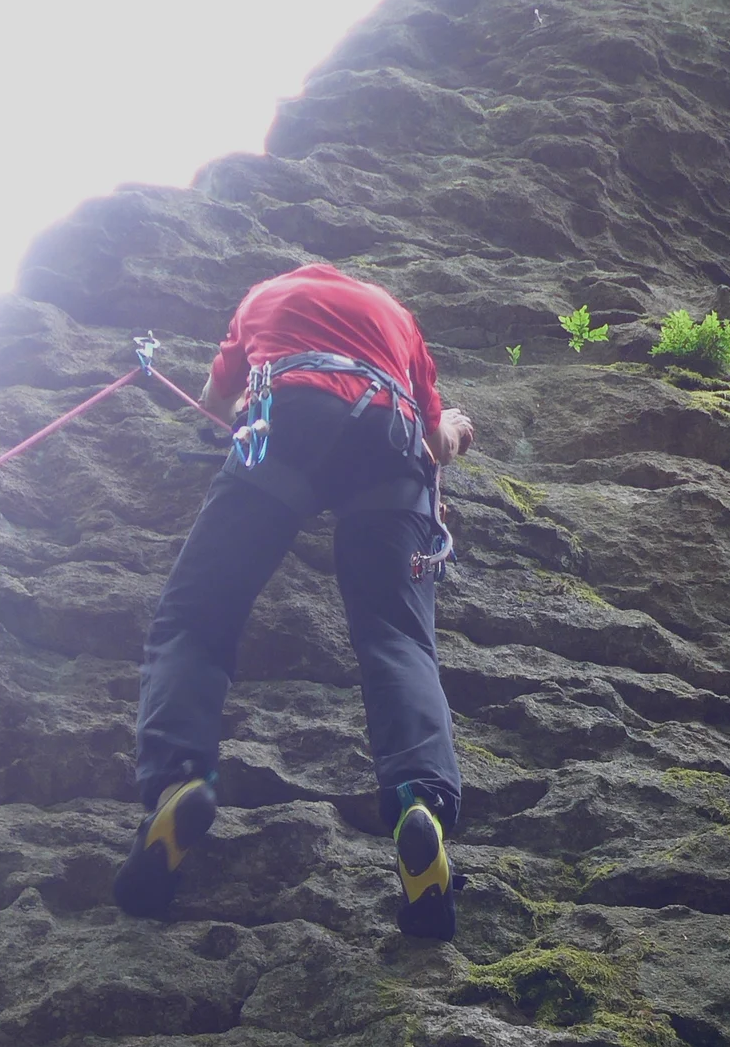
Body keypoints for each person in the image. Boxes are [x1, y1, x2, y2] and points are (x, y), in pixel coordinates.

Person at [114, 261, 475, 932]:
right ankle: (419, 801)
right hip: (389, 441)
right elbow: (436, 445)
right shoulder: (397, 318)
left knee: (196, 619)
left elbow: (216, 407)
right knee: (398, 638)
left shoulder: (265, 296)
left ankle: (179, 779)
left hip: (288, 427)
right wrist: (452, 425)